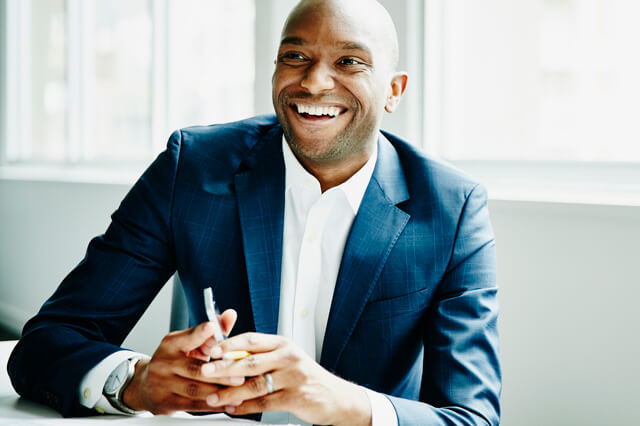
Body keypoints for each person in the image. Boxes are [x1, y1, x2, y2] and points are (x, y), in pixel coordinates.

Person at [7, 0, 501, 425]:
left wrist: (339, 401)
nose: (313, 81)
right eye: (295, 56)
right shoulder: (192, 168)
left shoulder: (452, 209)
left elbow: (472, 416)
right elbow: (47, 344)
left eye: (350, 61)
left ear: (394, 90)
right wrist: (135, 383)